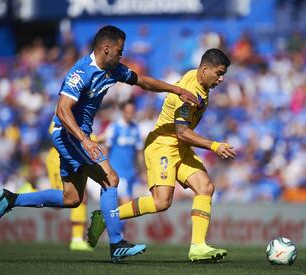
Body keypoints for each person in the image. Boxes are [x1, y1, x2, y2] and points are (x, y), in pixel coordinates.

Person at [0, 25, 199, 262]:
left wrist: (176, 89)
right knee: (110, 179)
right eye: (119, 51)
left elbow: (142, 81)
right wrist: (84, 141)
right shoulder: (82, 72)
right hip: (69, 134)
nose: (122, 56)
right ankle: (116, 243)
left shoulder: (113, 70)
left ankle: (11, 199)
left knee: (72, 198)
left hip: (77, 136)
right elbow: (62, 109)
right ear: (106, 48)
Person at [88, 48, 236, 263]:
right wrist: (214, 146)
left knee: (205, 187)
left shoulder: (199, 80)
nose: (221, 79)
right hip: (163, 146)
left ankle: (198, 247)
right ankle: (108, 216)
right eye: (219, 73)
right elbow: (182, 132)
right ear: (204, 69)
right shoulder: (189, 93)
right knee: (161, 203)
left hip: (180, 147)